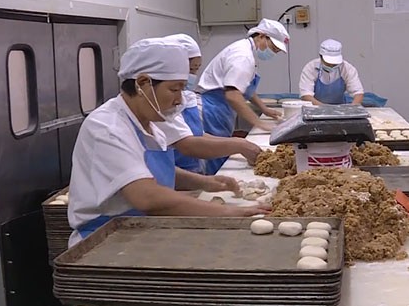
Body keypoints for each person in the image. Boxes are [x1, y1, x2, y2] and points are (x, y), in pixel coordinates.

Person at [66, 38, 268, 248]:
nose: (180, 100)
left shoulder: (150, 123)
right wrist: (226, 212)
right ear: (143, 84)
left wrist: (205, 182)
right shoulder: (108, 127)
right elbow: (146, 196)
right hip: (105, 240)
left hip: (141, 230)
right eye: (174, 89)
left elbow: (150, 171)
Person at [198, 18, 288, 175]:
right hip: (213, 109)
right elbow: (233, 95)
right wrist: (260, 124)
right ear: (261, 36)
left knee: (222, 150)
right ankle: (215, 187)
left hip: (221, 108)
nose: (272, 53)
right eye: (273, 48)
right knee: (216, 155)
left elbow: (244, 87)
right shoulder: (243, 56)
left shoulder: (247, 52)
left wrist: (264, 109)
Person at [162, 33, 261, 174]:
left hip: (185, 174)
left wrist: (239, 144)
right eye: (190, 69)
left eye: (196, 69)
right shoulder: (157, 107)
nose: (192, 76)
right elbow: (188, 145)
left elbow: (197, 135)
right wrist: (239, 144)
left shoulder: (184, 98)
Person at [299, 38, 364, 105]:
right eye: (328, 63)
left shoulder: (347, 68)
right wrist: (325, 108)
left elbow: (358, 93)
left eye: (335, 64)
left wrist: (353, 107)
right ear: (320, 57)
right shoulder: (310, 68)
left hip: (340, 107)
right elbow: (306, 95)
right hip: (315, 107)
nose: (331, 65)